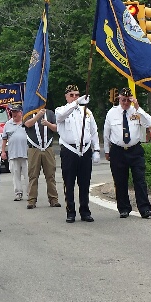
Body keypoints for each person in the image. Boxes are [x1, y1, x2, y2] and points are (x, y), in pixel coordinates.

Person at [103, 88, 151, 219]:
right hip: (118, 150)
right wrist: (107, 151)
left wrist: (138, 107)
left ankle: (145, 208)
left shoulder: (136, 112)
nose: (126, 103)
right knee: (120, 181)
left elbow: (149, 123)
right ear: (119, 99)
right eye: (123, 100)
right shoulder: (112, 112)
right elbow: (106, 133)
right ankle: (124, 208)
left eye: (128, 100)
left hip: (135, 150)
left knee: (140, 180)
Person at [55, 84, 101, 223]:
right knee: (69, 183)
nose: (74, 97)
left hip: (85, 150)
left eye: (77, 94)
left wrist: (97, 149)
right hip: (69, 150)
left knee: (84, 182)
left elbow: (93, 131)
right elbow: (61, 116)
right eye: (72, 95)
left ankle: (85, 211)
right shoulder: (61, 110)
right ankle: (71, 211)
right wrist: (76, 103)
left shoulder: (87, 111)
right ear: (66, 96)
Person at [23, 105, 60, 209]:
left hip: (48, 147)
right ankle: (31, 200)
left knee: (50, 175)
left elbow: (57, 128)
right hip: (34, 148)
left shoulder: (50, 113)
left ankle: (53, 199)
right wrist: (37, 116)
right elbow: (27, 124)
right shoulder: (28, 113)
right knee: (33, 175)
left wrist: (47, 123)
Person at [1, 102, 29, 202]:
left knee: (28, 175)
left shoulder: (26, 122)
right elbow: (4, 139)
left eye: (16, 111)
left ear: (21, 112)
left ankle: (30, 193)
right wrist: (3, 151)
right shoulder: (7, 124)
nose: (14, 113)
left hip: (26, 154)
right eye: (12, 111)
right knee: (15, 175)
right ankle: (18, 193)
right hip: (13, 154)